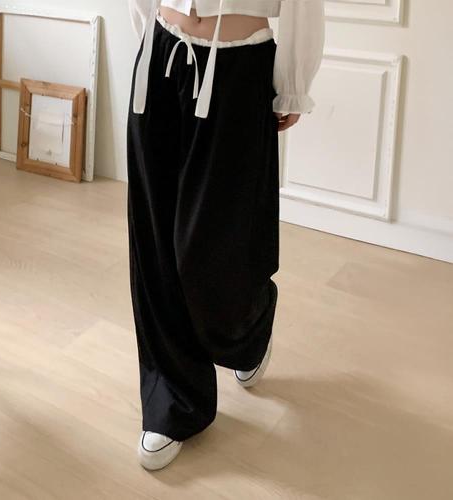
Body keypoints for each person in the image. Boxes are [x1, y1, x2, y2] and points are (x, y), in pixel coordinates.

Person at [126, 0, 325, 470]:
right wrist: (148, 39)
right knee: (154, 239)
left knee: (215, 244)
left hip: (238, 66)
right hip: (161, 53)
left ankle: (247, 329)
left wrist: (292, 87)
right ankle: (174, 401)